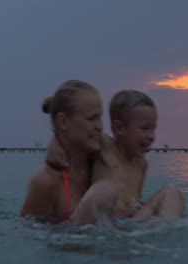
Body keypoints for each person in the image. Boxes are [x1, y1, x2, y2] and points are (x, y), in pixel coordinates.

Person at [48, 90, 186, 221]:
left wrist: (144, 207)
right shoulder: (104, 146)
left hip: (129, 225)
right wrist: (54, 144)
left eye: (153, 129)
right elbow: (75, 132)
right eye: (144, 129)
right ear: (119, 128)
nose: (151, 136)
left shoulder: (142, 164)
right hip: (103, 221)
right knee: (103, 190)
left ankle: (165, 233)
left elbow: (133, 200)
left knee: (171, 191)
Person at [18, 80, 116, 225]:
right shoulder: (46, 181)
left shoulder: (102, 153)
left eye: (100, 117)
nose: (100, 127)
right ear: (63, 122)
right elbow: (27, 234)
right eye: (92, 118)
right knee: (102, 193)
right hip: (69, 243)